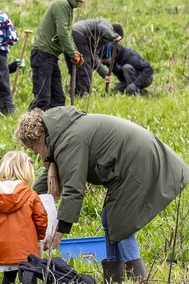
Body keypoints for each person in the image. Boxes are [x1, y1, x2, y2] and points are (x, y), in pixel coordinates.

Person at [15, 107, 188, 282]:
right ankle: (114, 278)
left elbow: (74, 189)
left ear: (40, 136)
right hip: (132, 162)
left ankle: (139, 279)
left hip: (138, 162)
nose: (35, 153)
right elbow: (53, 175)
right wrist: (26, 198)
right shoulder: (62, 133)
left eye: (34, 148)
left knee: (120, 221)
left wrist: (59, 233)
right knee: (108, 217)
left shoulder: (69, 140)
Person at [0, 151, 47, 284]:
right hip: (27, 250)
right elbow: (41, 219)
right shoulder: (30, 195)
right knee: (29, 278)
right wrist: (39, 237)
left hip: (3, 249)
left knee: (8, 277)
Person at [30, 0, 87, 109]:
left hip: (51, 56)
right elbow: (62, 34)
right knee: (42, 99)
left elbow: (67, 34)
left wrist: (75, 52)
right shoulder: (61, 4)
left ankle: (52, 123)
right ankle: (28, 122)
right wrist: (72, 54)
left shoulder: (68, 6)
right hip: (43, 55)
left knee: (58, 99)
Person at [70, 18, 120, 98]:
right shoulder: (107, 25)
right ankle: (85, 95)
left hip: (74, 34)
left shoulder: (101, 39)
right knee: (86, 65)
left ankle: (76, 93)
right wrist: (113, 36)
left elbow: (93, 57)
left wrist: (105, 74)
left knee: (78, 64)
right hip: (79, 33)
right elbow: (101, 27)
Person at [107, 24, 154, 95]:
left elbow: (149, 69)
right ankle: (142, 91)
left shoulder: (128, 55)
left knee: (127, 68)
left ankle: (135, 94)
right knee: (115, 91)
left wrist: (135, 84)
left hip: (145, 78)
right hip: (129, 80)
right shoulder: (110, 58)